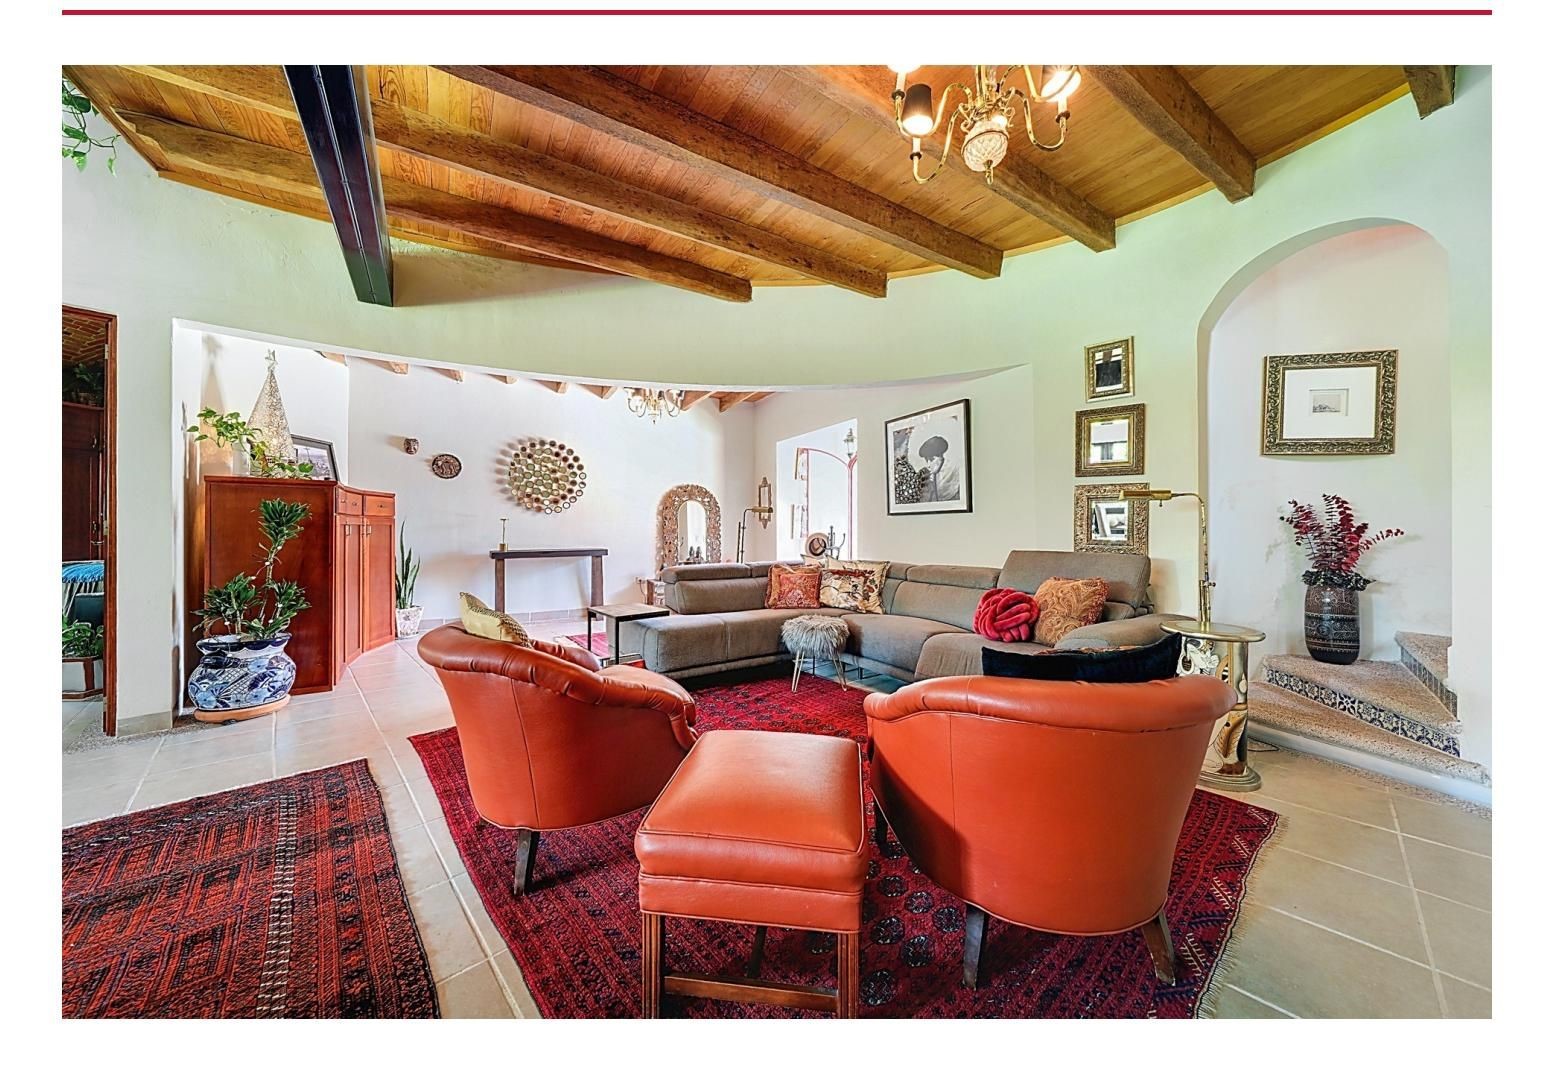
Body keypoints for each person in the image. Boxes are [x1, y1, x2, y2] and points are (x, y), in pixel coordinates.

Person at [918, 435, 960, 502]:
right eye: (926, 460)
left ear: (941, 458)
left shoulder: (955, 472)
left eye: (932, 459)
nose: (928, 465)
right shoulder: (925, 475)